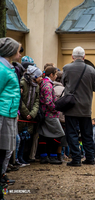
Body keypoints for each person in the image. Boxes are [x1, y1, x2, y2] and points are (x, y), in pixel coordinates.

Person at [62, 46, 95, 166]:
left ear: (72, 57)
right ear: (84, 57)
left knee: (72, 133)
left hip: (71, 106)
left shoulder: (67, 68)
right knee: (87, 134)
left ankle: (76, 159)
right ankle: (90, 158)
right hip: (85, 107)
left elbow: (64, 83)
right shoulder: (91, 70)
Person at [0, 38, 22, 196]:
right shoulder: (2, 69)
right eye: (18, 50)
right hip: (3, 113)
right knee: (2, 149)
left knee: (5, 149)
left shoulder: (7, 68)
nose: (20, 54)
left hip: (8, 112)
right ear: (10, 51)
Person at [38, 67, 65, 165]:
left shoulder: (44, 83)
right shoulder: (48, 86)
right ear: (51, 75)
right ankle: (53, 156)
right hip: (50, 114)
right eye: (55, 74)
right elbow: (49, 102)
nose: (56, 76)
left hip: (44, 113)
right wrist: (56, 109)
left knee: (44, 135)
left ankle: (44, 156)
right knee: (59, 134)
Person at [17, 65, 43, 164]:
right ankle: (18, 157)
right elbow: (21, 100)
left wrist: (32, 113)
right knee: (21, 136)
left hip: (30, 116)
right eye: (39, 76)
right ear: (34, 76)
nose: (41, 78)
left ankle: (24, 156)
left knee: (27, 137)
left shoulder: (36, 86)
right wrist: (26, 113)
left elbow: (37, 101)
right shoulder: (23, 83)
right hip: (23, 115)